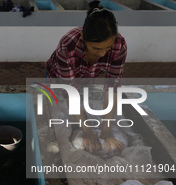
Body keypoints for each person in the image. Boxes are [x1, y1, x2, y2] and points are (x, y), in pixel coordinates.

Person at [46, 0, 127, 154]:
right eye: (96, 48)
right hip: (57, 79)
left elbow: (112, 87)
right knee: (56, 117)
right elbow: (69, 91)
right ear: (83, 37)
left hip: (85, 78)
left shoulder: (119, 46)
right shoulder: (67, 46)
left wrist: (106, 130)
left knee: (83, 105)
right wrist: (87, 131)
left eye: (107, 47)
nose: (102, 53)